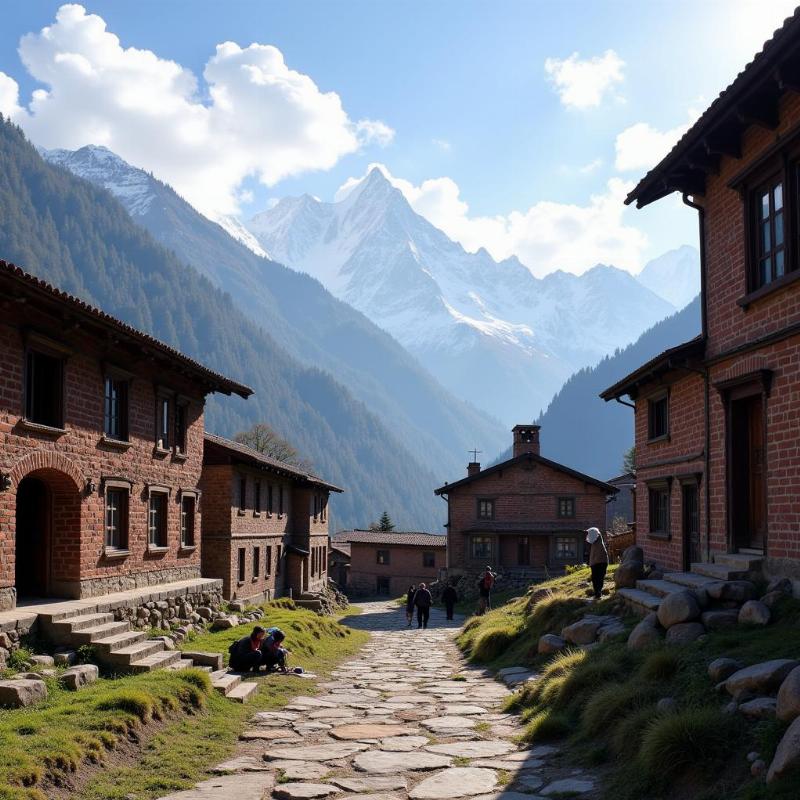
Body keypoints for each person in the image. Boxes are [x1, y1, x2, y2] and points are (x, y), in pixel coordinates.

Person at [586, 526, 609, 601]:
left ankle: (598, 593)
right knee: (597, 578)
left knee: (597, 578)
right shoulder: (596, 542)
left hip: (599, 562)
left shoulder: (597, 539)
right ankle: (597, 593)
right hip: (599, 562)